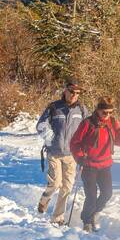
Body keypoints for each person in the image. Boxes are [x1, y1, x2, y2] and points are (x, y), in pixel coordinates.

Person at [68, 97, 120, 232]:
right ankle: (87, 220)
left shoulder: (112, 122)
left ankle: (94, 213)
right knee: (91, 195)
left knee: (107, 193)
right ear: (98, 110)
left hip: (105, 165)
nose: (107, 115)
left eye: (110, 112)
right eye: (105, 112)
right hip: (88, 165)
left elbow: (118, 140)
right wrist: (79, 157)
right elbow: (74, 143)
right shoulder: (87, 123)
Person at [35, 82, 89, 225]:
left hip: (72, 155)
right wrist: (50, 138)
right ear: (65, 90)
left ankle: (58, 217)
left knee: (67, 187)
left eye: (78, 93)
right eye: (72, 91)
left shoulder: (82, 109)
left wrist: (85, 147)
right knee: (55, 183)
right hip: (54, 152)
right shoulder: (54, 107)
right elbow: (40, 125)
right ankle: (45, 199)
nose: (74, 95)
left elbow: (88, 130)